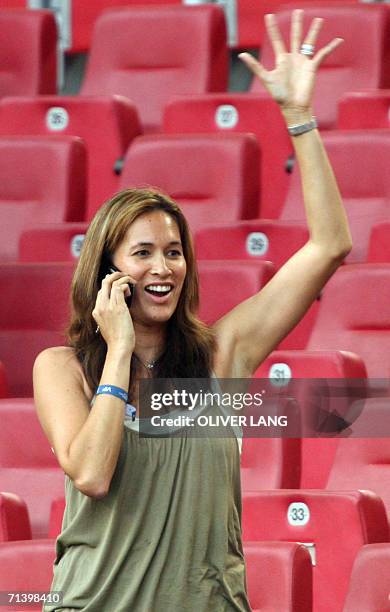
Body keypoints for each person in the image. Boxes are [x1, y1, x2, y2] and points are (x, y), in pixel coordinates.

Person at [34, 10, 352, 612]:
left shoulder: (221, 354)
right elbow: (93, 474)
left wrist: (299, 119)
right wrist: (119, 353)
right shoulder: (61, 368)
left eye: (175, 253)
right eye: (144, 253)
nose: (163, 268)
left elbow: (329, 246)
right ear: (105, 268)